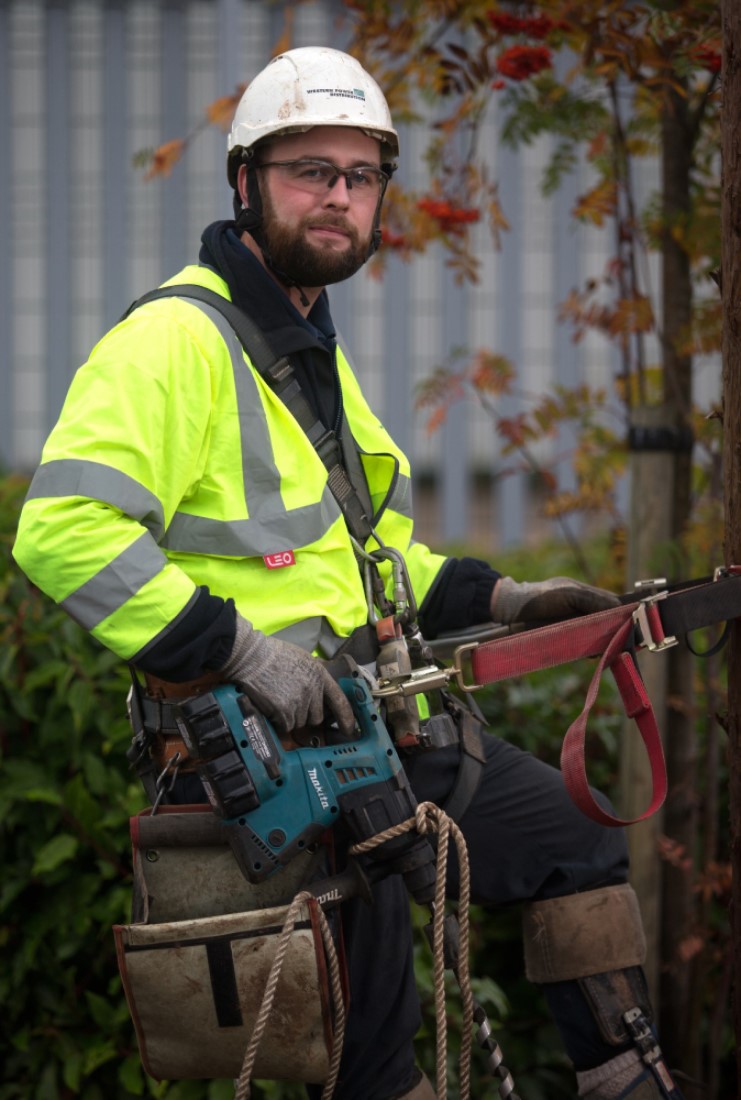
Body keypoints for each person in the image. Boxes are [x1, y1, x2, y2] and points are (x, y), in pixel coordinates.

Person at [13, 46, 682, 1100]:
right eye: (307, 169)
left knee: (567, 838)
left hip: (371, 736)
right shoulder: (176, 341)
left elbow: (369, 560)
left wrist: (502, 600)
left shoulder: (302, 343)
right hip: (259, 765)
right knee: (371, 1058)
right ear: (245, 184)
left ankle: (630, 1081)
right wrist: (241, 650)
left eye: (359, 174)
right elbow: (62, 528)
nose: (336, 195)